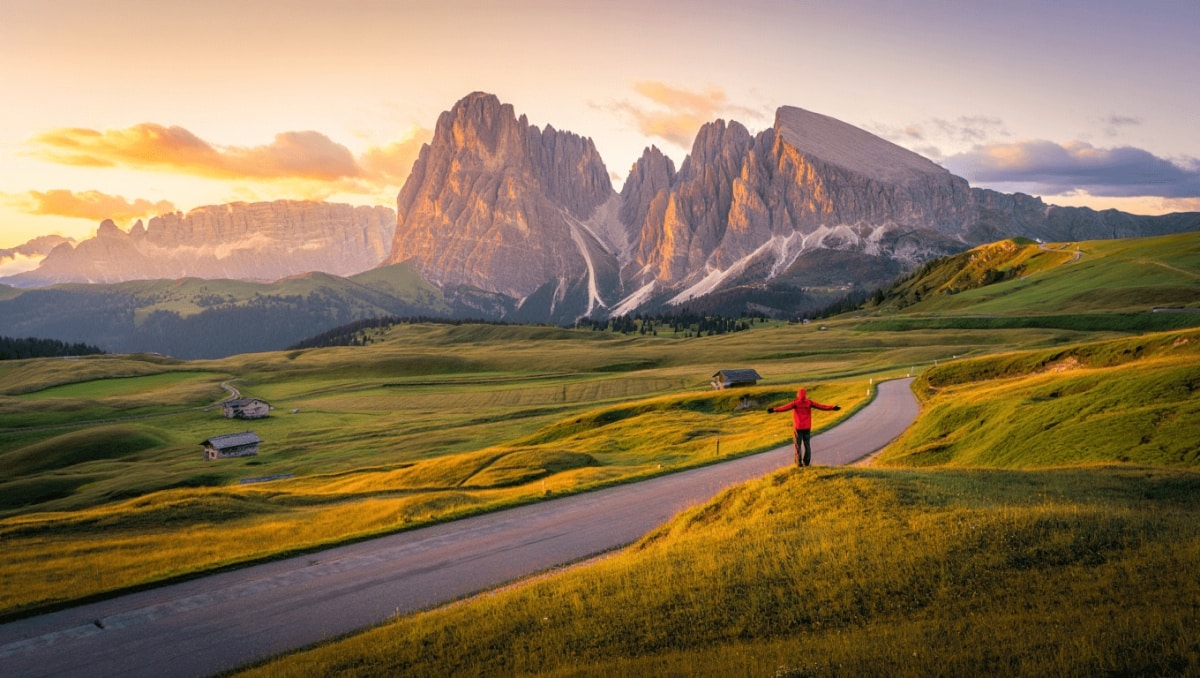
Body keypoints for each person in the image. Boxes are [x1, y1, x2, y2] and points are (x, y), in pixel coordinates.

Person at [767, 388, 840, 467]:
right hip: (807, 427)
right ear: (805, 395)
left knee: (797, 445)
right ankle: (806, 462)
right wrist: (833, 408)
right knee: (807, 445)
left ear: (798, 394)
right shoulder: (809, 402)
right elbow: (821, 406)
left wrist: (774, 409)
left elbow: (784, 408)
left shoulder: (795, 403)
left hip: (798, 428)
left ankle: (799, 463)